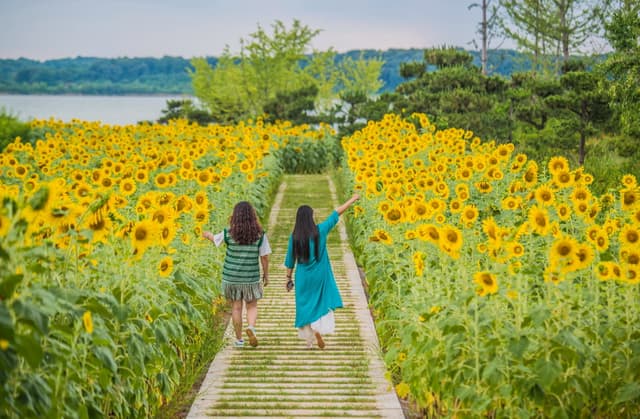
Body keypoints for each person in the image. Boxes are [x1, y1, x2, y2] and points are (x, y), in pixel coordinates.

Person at [284, 193, 360, 349]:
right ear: (311, 218)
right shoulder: (320, 231)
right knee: (320, 302)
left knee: (304, 305)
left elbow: (290, 261)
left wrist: (288, 279)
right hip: (320, 274)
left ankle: (309, 341)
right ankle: (318, 328)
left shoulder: (295, 237)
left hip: (302, 276)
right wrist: (353, 199)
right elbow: (336, 213)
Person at [203, 201, 270, 348]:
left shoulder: (228, 233)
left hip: (231, 278)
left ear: (235, 216)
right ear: (253, 216)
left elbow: (215, 239)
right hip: (250, 278)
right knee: (251, 306)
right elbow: (264, 257)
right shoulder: (260, 235)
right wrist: (266, 275)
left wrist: (207, 235)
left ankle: (239, 339)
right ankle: (251, 327)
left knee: (236, 308)